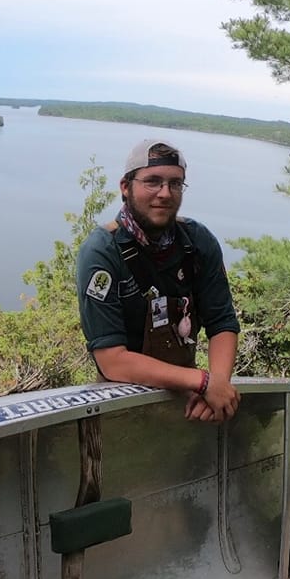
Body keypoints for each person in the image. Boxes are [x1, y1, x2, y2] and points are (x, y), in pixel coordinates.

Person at [76, 138, 241, 421]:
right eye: (152, 181)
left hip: (187, 401)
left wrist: (218, 385)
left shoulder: (197, 242)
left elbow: (222, 322)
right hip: (121, 405)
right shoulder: (103, 251)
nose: (165, 193)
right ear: (125, 188)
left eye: (175, 183)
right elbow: (112, 360)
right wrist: (203, 382)